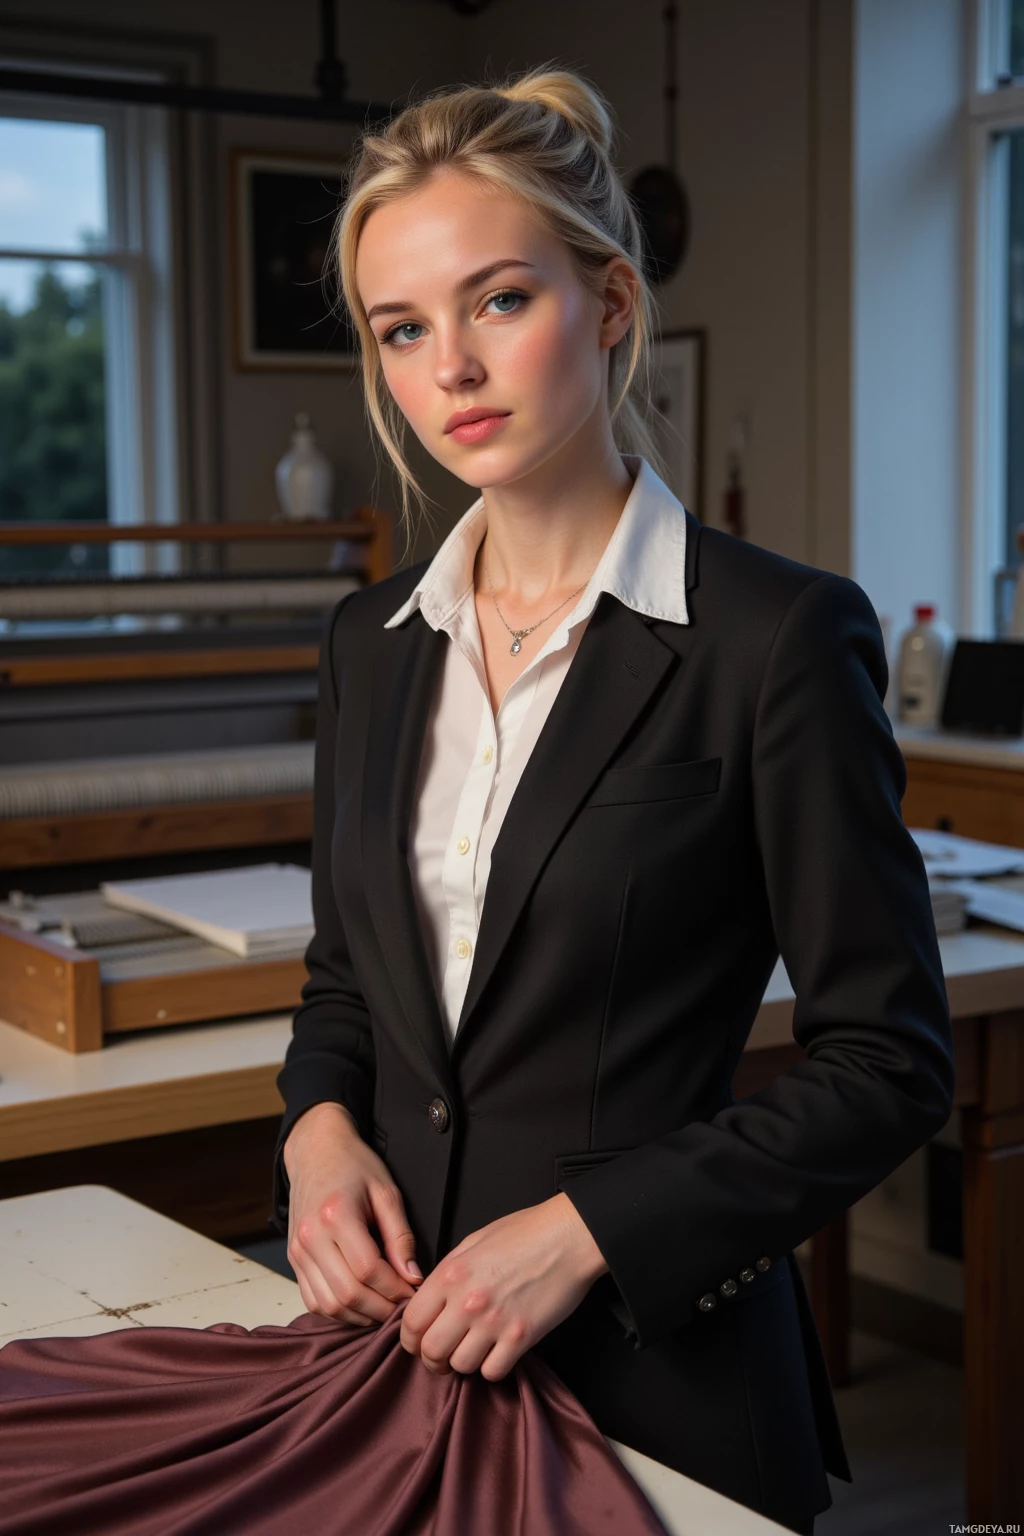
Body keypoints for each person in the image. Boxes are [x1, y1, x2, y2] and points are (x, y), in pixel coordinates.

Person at [272, 66, 955, 1536]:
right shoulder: (369, 649)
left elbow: (886, 1064)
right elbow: (348, 982)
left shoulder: (777, 639)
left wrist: (585, 1234)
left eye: (499, 300)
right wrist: (316, 1133)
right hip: (393, 1372)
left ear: (611, 304)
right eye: (404, 328)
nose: (451, 364)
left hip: (662, 1396)